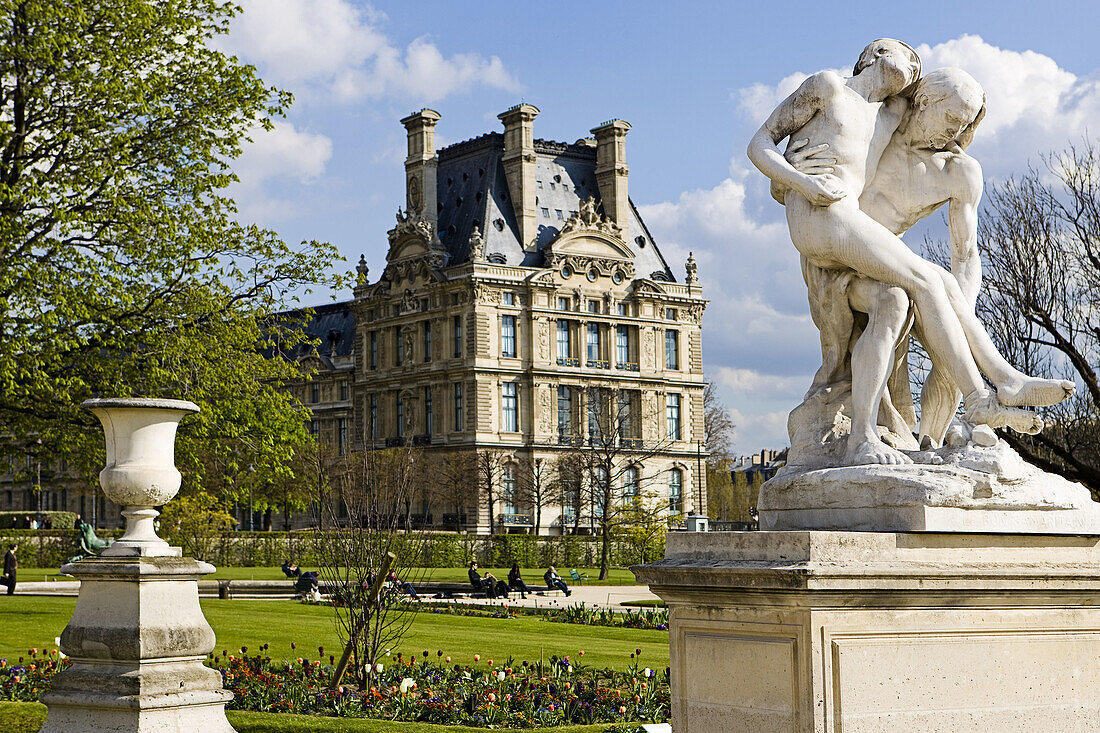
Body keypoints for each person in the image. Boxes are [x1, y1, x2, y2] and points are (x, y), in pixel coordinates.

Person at [747, 39, 1073, 455]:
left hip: (870, 255)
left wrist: (961, 318)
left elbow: (968, 256)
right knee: (930, 281)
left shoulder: (901, 126)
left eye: (964, 124)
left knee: (905, 300)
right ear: (876, 56)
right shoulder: (839, 92)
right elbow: (770, 147)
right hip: (832, 241)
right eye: (950, 117)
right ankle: (990, 393)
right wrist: (795, 179)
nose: (954, 132)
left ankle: (880, 435)